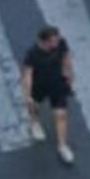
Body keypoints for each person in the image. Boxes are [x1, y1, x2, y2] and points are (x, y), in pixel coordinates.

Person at [22, 25, 76, 166]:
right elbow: (28, 75)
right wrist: (27, 95)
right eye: (53, 41)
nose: (56, 43)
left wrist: (68, 72)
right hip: (39, 85)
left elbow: (66, 55)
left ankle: (62, 146)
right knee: (35, 105)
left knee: (61, 114)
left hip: (57, 83)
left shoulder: (61, 43)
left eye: (57, 39)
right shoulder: (33, 54)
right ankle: (34, 122)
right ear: (44, 41)